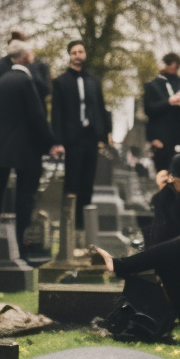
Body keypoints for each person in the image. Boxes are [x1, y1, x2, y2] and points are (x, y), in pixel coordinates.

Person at [93, 154, 180, 328]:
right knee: (171, 258)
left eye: (177, 179)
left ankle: (121, 265)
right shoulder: (171, 196)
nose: (173, 182)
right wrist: (165, 195)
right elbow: (161, 239)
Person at [0, 38, 61, 252]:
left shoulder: (2, 81)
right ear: (25, 56)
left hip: (0, 148)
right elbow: (37, 116)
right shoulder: (26, 81)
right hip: (25, 149)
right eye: (31, 52)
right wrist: (53, 142)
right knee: (24, 197)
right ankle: (18, 244)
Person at [52, 40, 112, 229]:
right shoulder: (61, 82)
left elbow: (101, 108)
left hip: (91, 138)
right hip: (72, 140)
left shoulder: (94, 81)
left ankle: (84, 226)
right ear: (69, 56)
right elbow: (56, 113)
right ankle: (70, 227)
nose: (78, 55)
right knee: (72, 183)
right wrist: (58, 141)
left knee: (88, 183)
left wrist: (105, 135)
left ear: (85, 55)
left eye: (80, 51)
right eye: (74, 52)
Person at [143, 52, 180, 171]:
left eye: (175, 65)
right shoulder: (152, 85)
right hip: (160, 138)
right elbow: (149, 109)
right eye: (169, 64)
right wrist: (169, 102)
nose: (172, 67)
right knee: (163, 174)